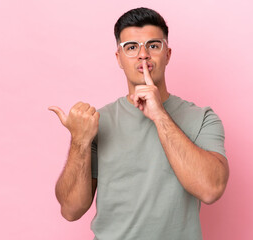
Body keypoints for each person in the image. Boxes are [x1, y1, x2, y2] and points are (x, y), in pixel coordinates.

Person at [49, 7, 229, 240]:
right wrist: (80, 141)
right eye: (131, 47)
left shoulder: (203, 118)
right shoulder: (98, 122)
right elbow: (71, 210)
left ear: (167, 54)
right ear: (119, 59)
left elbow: (211, 189)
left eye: (153, 45)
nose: (143, 54)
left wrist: (159, 115)